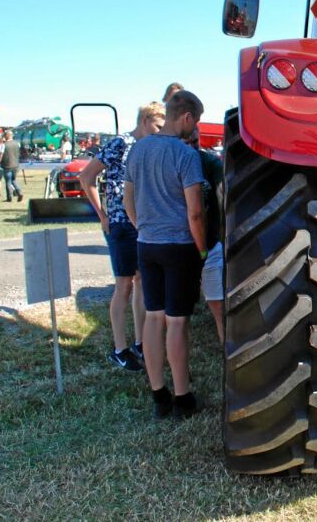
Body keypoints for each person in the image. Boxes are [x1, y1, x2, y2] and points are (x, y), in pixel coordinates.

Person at [124, 90, 206, 418]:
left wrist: (143, 228)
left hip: (147, 244)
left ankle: (158, 394)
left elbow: (128, 199)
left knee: (152, 317)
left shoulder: (138, 150)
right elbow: (195, 212)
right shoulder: (186, 156)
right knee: (176, 322)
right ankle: (183, 396)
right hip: (179, 246)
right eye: (196, 121)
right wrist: (201, 249)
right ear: (186, 117)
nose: (195, 127)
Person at [80, 102, 166, 372]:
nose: (159, 132)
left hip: (143, 223)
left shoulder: (150, 148)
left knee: (142, 282)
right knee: (123, 285)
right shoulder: (121, 143)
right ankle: (120, 348)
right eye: (157, 126)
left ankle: (141, 341)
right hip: (120, 223)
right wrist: (103, 215)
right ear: (144, 120)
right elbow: (87, 176)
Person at [185, 126, 224, 343]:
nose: (191, 147)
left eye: (195, 142)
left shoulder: (210, 163)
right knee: (177, 314)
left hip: (209, 246)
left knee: (218, 307)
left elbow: (221, 197)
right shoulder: (171, 162)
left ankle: (227, 353)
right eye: (186, 142)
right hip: (181, 247)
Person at [0, 130, 23, 202]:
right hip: (15, 165)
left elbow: (1, 155)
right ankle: (19, 192)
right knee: (13, 180)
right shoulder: (17, 144)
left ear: (6, 136)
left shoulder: (4, 145)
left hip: (7, 165)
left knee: (8, 181)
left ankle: (9, 197)